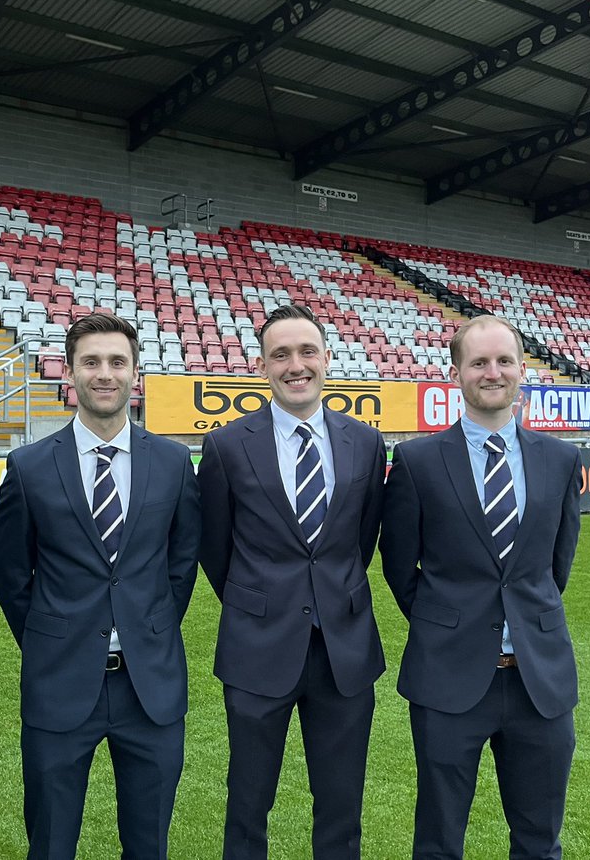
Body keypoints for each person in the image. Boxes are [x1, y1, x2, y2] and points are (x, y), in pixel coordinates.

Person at [0, 311, 200, 860]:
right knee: (52, 843)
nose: (104, 373)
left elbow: (181, 567)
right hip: (59, 685)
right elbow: (12, 576)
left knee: (148, 844)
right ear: (70, 372)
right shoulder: (29, 465)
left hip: (148, 688)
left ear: (136, 373)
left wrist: (145, 630)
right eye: (91, 362)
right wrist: (53, 638)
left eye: (116, 361)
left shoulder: (175, 463)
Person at [380, 314, 582, 860]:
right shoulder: (418, 460)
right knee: (439, 842)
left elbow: (554, 565)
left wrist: (524, 616)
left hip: (539, 682)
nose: (492, 372)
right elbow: (399, 567)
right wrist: (448, 621)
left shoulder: (561, 459)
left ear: (523, 371)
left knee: (540, 843)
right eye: (478, 362)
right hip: (447, 679)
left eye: (504, 361)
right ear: (456, 373)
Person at [198, 303, 387, 860]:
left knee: (341, 804)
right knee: (248, 802)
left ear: (327, 359)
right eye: (280, 354)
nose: (295, 365)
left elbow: (363, 537)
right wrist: (260, 603)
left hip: (344, 651)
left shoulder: (366, 442)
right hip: (257, 649)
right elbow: (214, 548)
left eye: (307, 351)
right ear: (263, 366)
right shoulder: (227, 446)